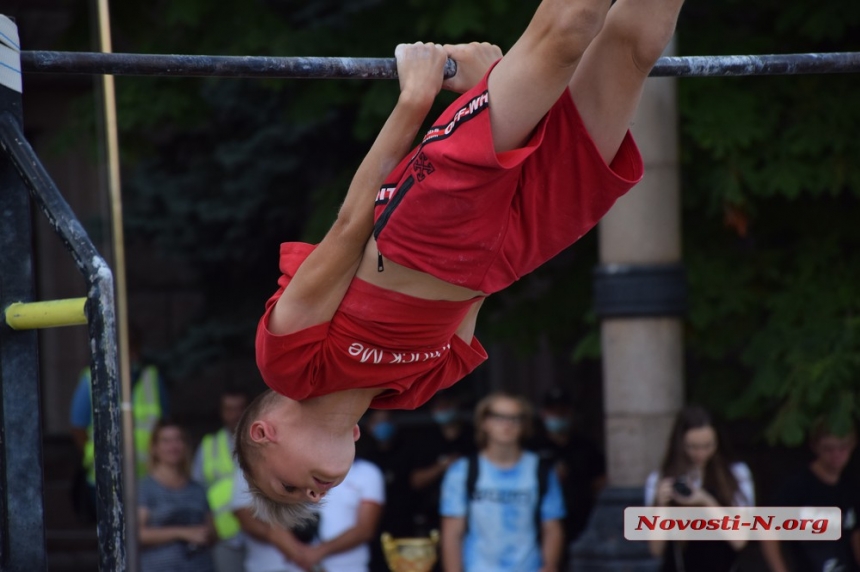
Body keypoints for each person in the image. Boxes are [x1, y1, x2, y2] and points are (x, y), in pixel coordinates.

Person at [236, 0, 686, 527]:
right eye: (310, 500)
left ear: (264, 433)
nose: (313, 496)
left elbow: (349, 226)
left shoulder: (288, 365)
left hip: (427, 230)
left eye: (286, 486)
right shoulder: (412, 392)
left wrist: (415, 100)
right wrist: (493, 88)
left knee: (566, 33)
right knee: (635, 50)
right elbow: (476, 297)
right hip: (510, 253)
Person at [439, 392, 566, 572]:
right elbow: (452, 533)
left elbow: (552, 527)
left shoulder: (541, 470)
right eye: (499, 417)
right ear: (484, 423)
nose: (507, 424)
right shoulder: (462, 471)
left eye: (515, 418)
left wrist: (549, 565)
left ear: (524, 425)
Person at [69, 329, 169, 522]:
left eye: (130, 348)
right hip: (106, 474)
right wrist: (93, 454)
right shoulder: (91, 378)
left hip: (148, 475)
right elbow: (78, 427)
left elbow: (164, 422)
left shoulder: (151, 377)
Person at [645, 405, 755, 572]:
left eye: (707, 446)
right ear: (680, 443)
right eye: (693, 447)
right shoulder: (659, 479)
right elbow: (655, 550)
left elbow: (740, 540)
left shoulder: (736, 474)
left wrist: (706, 501)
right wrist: (661, 506)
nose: (701, 453)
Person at [761, 421, 860, 572]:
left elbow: (854, 532)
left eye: (843, 447)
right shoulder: (798, 486)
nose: (837, 455)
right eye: (828, 449)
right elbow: (768, 528)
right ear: (815, 447)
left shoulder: (850, 485)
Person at [531, 387, 606, 551]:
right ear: (543, 413)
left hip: (581, 522)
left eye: (563, 411)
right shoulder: (532, 447)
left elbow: (600, 483)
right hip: (540, 523)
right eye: (553, 411)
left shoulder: (586, 447)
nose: (558, 415)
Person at [138, 419, 216, 572]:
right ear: (154, 448)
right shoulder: (145, 488)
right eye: (166, 441)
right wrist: (183, 533)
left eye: (178, 440)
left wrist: (205, 534)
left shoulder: (197, 489)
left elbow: (213, 533)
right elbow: (138, 535)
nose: (173, 446)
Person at [290, 458, 386, 572]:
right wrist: (294, 550)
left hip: (349, 568)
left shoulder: (367, 472)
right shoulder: (301, 468)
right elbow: (275, 514)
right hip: (297, 566)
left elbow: (365, 529)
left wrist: (318, 552)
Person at [192, 389, 249, 572]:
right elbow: (196, 491)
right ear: (221, 412)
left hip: (262, 534)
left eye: (240, 408)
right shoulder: (209, 445)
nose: (235, 414)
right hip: (224, 534)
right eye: (229, 409)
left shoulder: (262, 441)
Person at [406, 391, 476, 537]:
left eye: (446, 405)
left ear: (456, 405)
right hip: (433, 514)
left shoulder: (473, 437)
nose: (442, 410)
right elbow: (416, 481)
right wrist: (443, 465)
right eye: (437, 407)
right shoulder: (427, 441)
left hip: (472, 512)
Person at [357, 411, 414, 571]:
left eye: (386, 420)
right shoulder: (363, 458)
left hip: (403, 523)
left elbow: (414, 482)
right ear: (368, 427)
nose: (382, 426)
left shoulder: (406, 451)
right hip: (373, 531)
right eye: (377, 421)